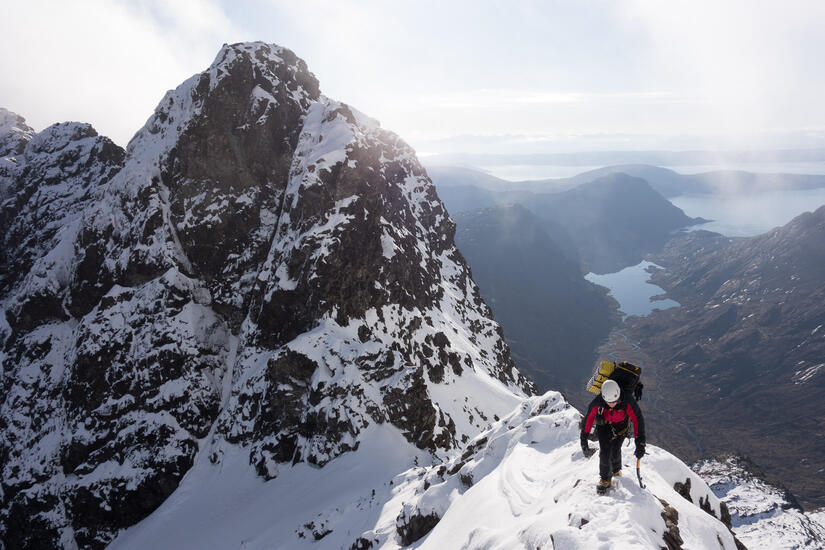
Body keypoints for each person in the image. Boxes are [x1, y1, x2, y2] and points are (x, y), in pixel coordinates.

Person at [580, 379, 646, 494]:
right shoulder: (598, 401)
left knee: (616, 448)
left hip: (622, 426)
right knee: (605, 451)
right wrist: (583, 439)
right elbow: (589, 419)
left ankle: (616, 470)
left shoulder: (627, 400)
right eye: (608, 402)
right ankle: (605, 479)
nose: (612, 404)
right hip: (604, 425)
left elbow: (638, 420)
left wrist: (640, 443)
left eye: (614, 401)